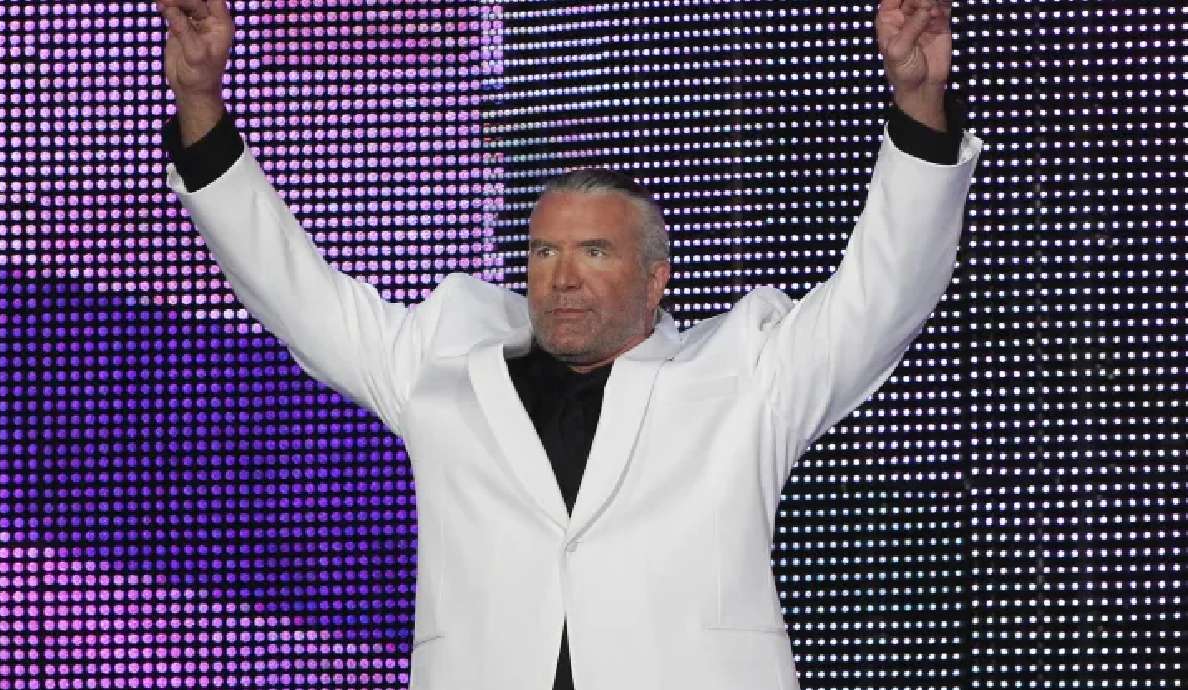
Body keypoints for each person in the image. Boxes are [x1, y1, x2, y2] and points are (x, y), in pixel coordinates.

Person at [155, 0, 981, 688]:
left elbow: (887, 294)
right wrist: (201, 105)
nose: (562, 276)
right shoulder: (439, 365)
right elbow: (293, 291)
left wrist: (918, 107)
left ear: (657, 280)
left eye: (595, 252)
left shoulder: (746, 375)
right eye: (544, 252)